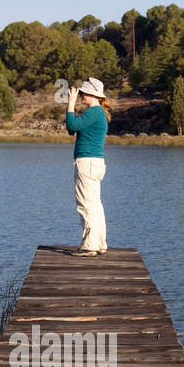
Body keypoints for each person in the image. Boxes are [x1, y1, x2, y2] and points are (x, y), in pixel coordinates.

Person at [65, 77, 111, 256]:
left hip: (87, 163)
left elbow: (71, 124)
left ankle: (90, 245)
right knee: (95, 204)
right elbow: (72, 129)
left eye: (83, 93)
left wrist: (70, 103)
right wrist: (71, 107)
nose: (81, 95)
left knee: (86, 204)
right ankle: (99, 243)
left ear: (91, 94)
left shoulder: (93, 112)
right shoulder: (96, 114)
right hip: (96, 162)